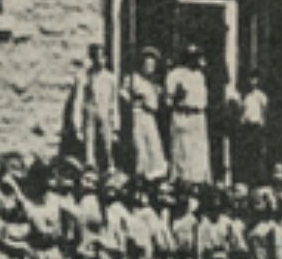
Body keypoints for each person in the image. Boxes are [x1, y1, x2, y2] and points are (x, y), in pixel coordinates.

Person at [166, 48, 212, 183]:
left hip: (198, 116)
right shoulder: (176, 74)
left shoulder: (200, 76)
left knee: (199, 152)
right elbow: (168, 101)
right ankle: (181, 181)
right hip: (182, 115)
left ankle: (199, 181)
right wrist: (177, 97)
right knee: (182, 151)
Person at [75, 47, 120, 173]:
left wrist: (116, 126)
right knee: (89, 143)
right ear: (92, 59)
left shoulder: (111, 79)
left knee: (107, 144)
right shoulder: (85, 77)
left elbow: (114, 103)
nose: (100, 61)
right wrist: (77, 125)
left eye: (103, 57)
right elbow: (78, 101)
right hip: (90, 113)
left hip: (105, 114)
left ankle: (110, 167)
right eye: (97, 58)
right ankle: (90, 168)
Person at [126, 50, 169, 180]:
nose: (150, 68)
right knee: (140, 146)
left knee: (154, 145)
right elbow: (123, 94)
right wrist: (134, 100)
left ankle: (154, 175)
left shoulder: (153, 84)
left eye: (153, 66)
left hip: (150, 116)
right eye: (148, 65)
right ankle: (140, 174)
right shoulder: (134, 79)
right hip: (138, 115)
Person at [237, 77, 270, 187]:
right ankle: (248, 179)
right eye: (251, 79)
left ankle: (259, 180)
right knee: (248, 154)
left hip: (256, 127)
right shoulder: (246, 96)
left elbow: (265, 110)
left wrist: (262, 123)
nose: (252, 82)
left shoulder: (260, 96)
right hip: (247, 127)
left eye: (255, 79)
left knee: (257, 154)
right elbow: (243, 111)